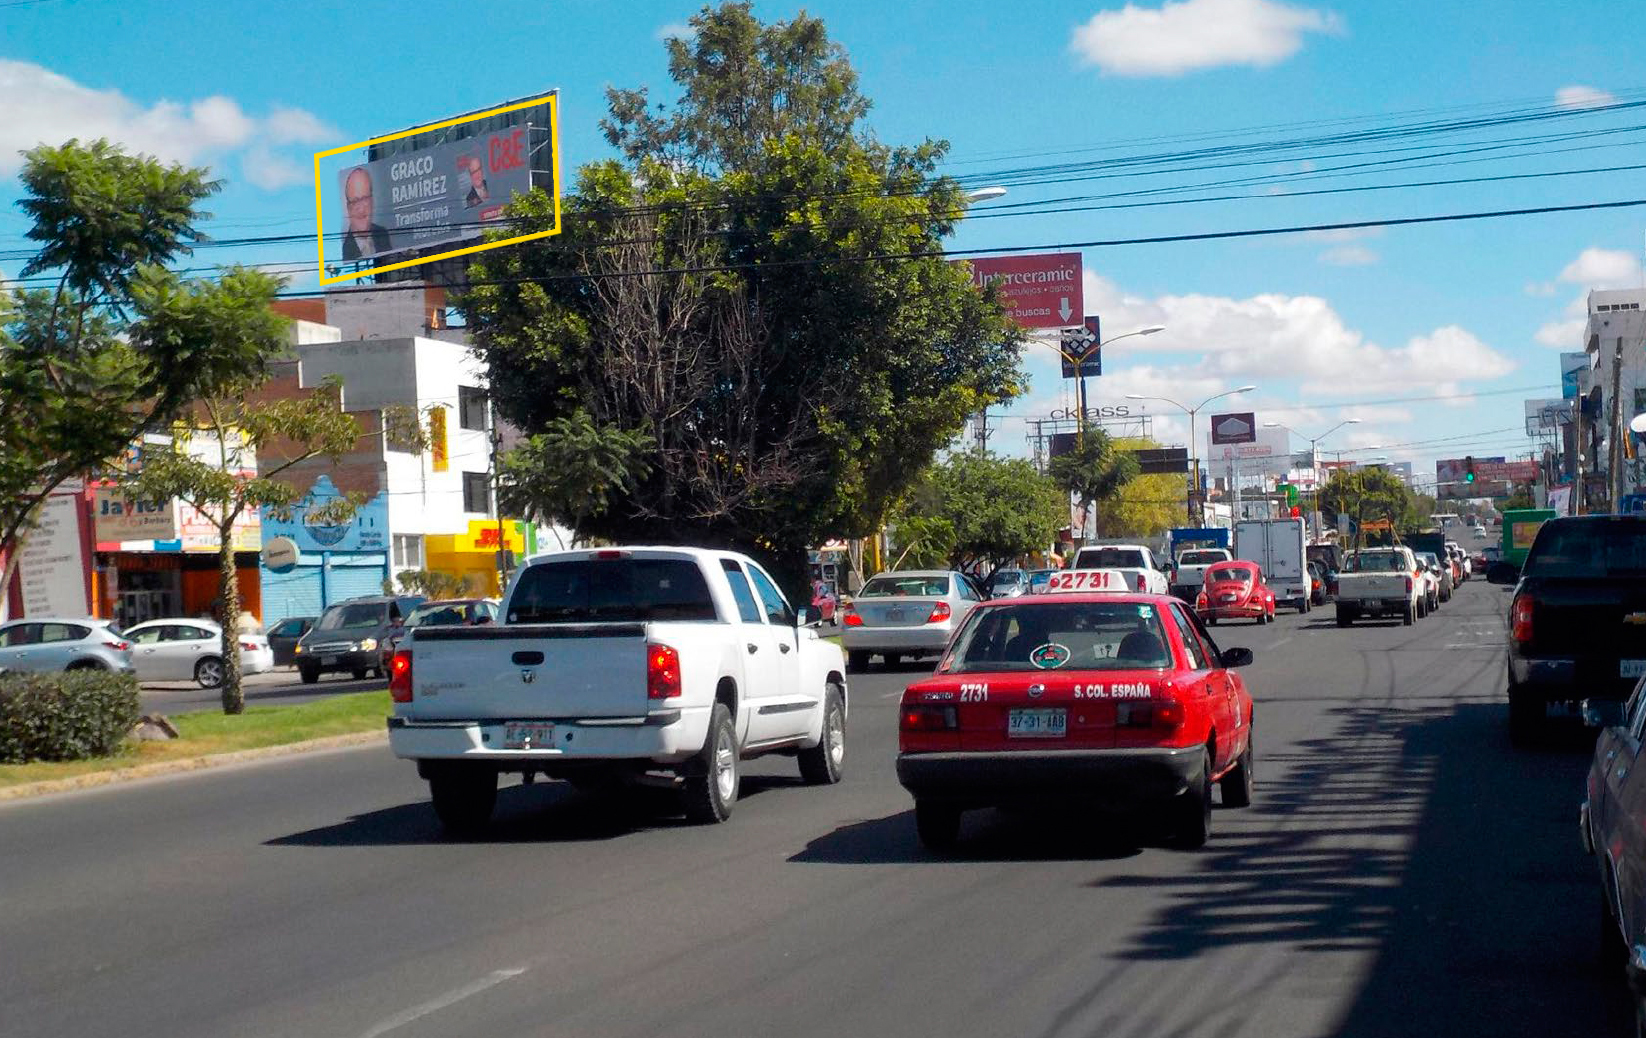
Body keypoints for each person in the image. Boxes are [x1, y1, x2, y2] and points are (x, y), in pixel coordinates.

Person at [341, 166, 393, 260]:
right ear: (348, 208)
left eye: (365, 199)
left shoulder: (382, 234)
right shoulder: (345, 250)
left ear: (372, 201)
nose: (361, 209)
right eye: (355, 201)